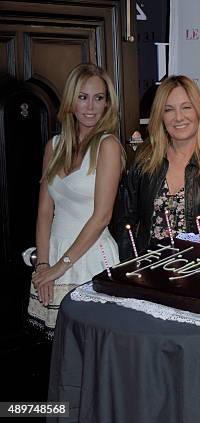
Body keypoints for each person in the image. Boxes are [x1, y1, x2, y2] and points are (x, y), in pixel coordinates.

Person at [29, 63, 124, 336]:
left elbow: (102, 216)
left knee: (94, 346)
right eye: (83, 97)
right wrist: (44, 264)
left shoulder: (108, 145)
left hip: (90, 257)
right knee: (59, 346)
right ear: (71, 101)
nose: (91, 106)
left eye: (99, 98)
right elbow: (45, 212)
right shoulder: (54, 147)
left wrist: (59, 268)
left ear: (107, 103)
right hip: (54, 254)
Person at [115, 75, 200, 260]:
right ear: (160, 116)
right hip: (148, 275)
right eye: (169, 110)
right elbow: (126, 222)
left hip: (199, 276)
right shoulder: (145, 161)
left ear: (198, 111)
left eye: (186, 107)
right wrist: (130, 269)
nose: (178, 117)